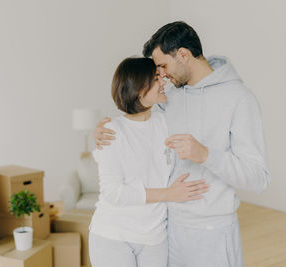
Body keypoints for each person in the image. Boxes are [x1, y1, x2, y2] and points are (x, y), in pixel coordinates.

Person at [94, 21, 270, 267]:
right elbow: (137, 121)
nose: (162, 75)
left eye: (163, 66)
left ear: (184, 55)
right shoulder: (170, 97)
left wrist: (207, 155)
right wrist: (104, 132)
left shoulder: (240, 99)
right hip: (168, 231)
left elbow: (258, 178)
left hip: (212, 232)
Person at [89, 57, 209, 267]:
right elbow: (114, 193)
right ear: (138, 87)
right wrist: (169, 194)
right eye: (155, 79)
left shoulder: (165, 123)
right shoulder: (112, 132)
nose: (163, 82)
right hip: (113, 235)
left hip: (155, 237)